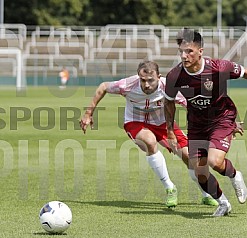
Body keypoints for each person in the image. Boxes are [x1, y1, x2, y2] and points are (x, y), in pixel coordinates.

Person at [164, 28, 247, 216]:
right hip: (196, 124)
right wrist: (169, 130)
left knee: (215, 161)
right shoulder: (174, 76)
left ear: (200, 51)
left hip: (222, 118)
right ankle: (223, 203)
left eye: (189, 51)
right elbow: (168, 102)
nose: (184, 56)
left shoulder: (218, 68)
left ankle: (234, 175)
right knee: (199, 171)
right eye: (181, 52)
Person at [80, 61, 223, 208]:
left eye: (150, 80)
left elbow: (193, 105)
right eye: (143, 80)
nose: (146, 85)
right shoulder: (127, 85)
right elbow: (103, 87)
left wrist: (220, 123)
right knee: (149, 141)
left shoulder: (169, 87)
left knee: (191, 158)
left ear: (159, 77)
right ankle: (170, 187)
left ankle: (205, 194)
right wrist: (88, 113)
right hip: (135, 122)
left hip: (163, 124)